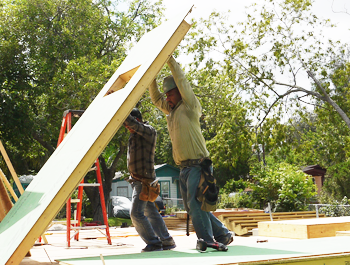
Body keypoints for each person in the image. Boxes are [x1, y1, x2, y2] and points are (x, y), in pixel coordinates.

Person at [149, 56, 233, 249]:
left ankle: (208, 240)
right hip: (184, 167)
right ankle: (223, 234)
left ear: (179, 92)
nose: (167, 97)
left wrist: (169, 59)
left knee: (196, 205)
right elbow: (155, 98)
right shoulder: (171, 111)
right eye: (166, 94)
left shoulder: (190, 106)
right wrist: (150, 76)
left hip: (198, 164)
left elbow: (183, 82)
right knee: (193, 206)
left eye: (170, 93)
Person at [123, 108, 176, 252]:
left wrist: (121, 111)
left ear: (138, 120)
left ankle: (153, 242)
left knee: (135, 214)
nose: (128, 128)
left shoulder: (149, 131)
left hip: (144, 182)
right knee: (151, 213)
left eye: (129, 125)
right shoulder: (133, 135)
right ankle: (167, 241)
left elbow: (133, 124)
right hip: (138, 181)